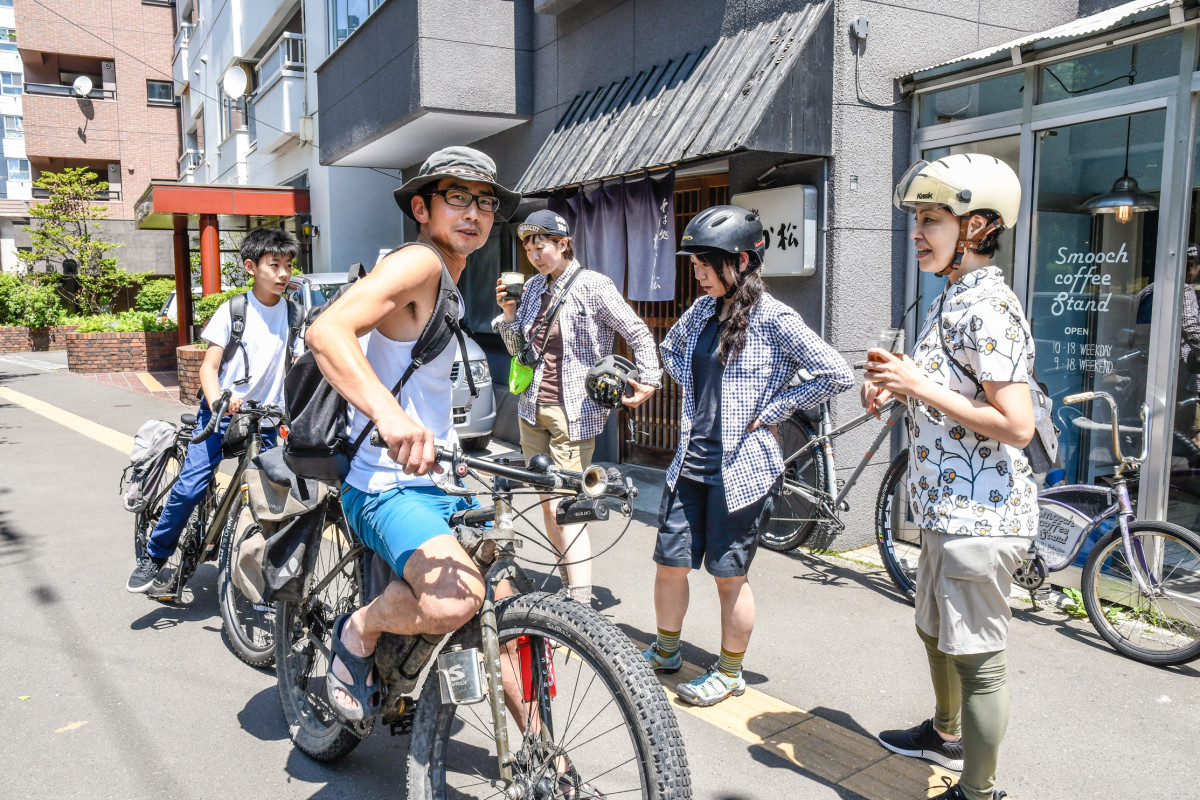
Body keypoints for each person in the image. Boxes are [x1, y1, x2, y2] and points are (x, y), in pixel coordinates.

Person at [303, 146, 523, 722]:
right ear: (422, 207)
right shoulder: (420, 263)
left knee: (507, 609)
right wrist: (390, 416)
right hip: (384, 483)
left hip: (443, 476)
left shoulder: (454, 274)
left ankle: (548, 760)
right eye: (458, 198)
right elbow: (327, 331)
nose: (473, 211)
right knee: (457, 598)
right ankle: (361, 628)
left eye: (484, 201)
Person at [863, 154, 1036, 800]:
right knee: (933, 630)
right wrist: (898, 394)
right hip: (943, 508)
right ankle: (945, 730)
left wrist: (917, 384)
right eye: (918, 220)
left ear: (979, 226)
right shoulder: (951, 300)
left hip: (981, 516)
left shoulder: (988, 308)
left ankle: (980, 791)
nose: (918, 233)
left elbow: (1015, 425)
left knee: (980, 661)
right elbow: (949, 399)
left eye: (931, 220)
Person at [640, 205, 853, 706]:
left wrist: (774, 408)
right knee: (669, 563)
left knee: (728, 576)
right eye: (694, 264)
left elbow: (835, 372)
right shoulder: (701, 312)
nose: (697, 274)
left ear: (740, 260)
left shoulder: (775, 318)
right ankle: (666, 651)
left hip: (742, 469)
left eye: (704, 264)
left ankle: (730, 672)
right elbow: (671, 349)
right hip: (690, 460)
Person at [493, 209, 662, 606]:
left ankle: (580, 599)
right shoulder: (533, 289)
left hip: (574, 410)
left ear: (563, 243)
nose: (535, 253)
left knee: (571, 504)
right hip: (532, 407)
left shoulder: (593, 286)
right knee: (547, 503)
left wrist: (650, 380)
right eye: (529, 246)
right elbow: (520, 351)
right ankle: (568, 581)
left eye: (543, 244)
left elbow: (636, 330)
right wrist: (509, 314)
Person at [127, 227, 300, 593]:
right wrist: (220, 397)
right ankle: (155, 555)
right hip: (220, 414)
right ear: (251, 267)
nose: (283, 273)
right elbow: (209, 366)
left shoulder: (295, 315)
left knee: (275, 496)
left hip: (266, 420)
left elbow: (298, 366)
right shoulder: (234, 310)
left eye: (287, 265)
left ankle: (267, 576)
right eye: (274, 265)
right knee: (191, 487)